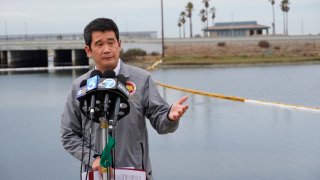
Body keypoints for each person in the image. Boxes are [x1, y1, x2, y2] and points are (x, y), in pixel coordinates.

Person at [60, 18, 189, 180]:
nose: (107, 49)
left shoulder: (142, 79)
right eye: (99, 44)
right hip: (96, 175)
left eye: (111, 42)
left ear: (119, 44)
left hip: (135, 174)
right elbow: (68, 134)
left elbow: (162, 125)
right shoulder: (79, 87)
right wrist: (93, 159)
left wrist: (170, 117)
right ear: (88, 50)